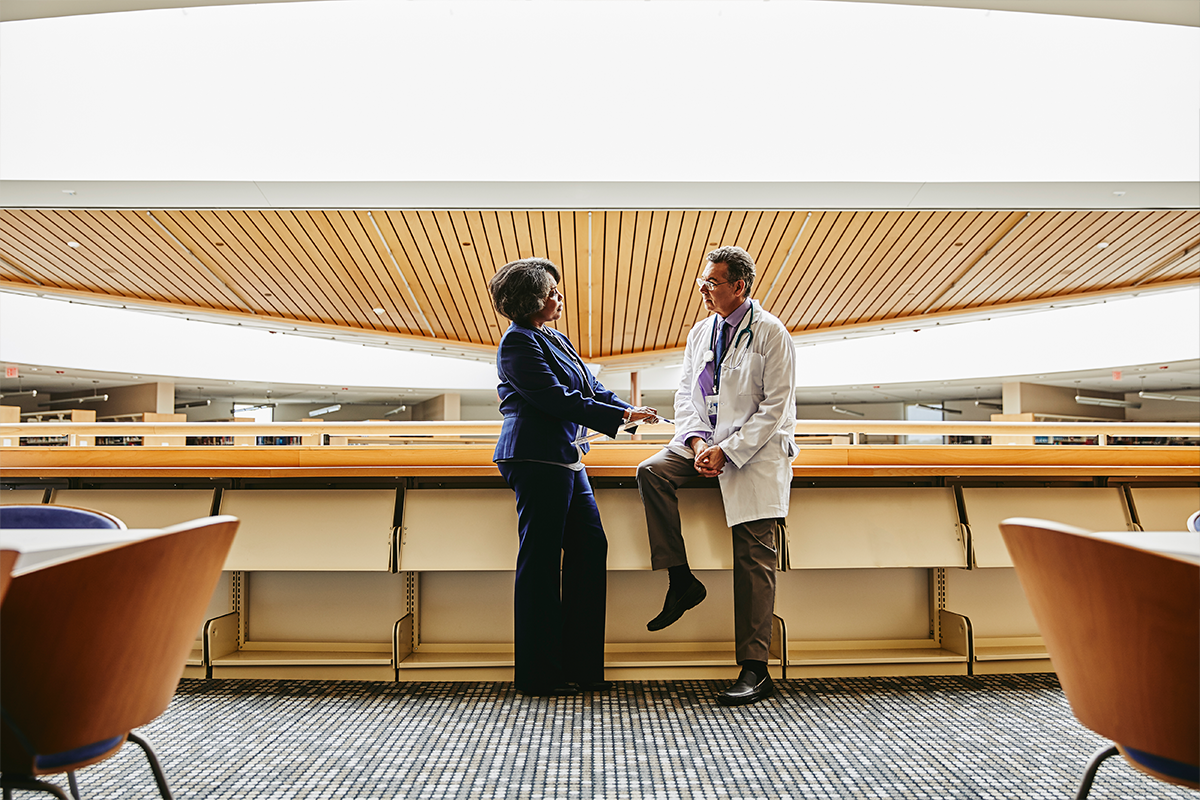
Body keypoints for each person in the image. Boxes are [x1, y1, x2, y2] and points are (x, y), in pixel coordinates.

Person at [636, 245, 797, 707]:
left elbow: (775, 408)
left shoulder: (771, 333)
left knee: (753, 557)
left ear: (738, 287)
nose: (703, 290)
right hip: (702, 445)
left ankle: (755, 668)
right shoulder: (700, 332)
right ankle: (682, 579)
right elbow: (686, 395)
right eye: (703, 282)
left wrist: (728, 450)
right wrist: (698, 444)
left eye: (712, 283)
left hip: (755, 453)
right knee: (651, 472)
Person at [489, 257, 658, 697]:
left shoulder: (554, 337)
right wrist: (618, 415)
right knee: (541, 563)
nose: (558, 298)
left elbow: (590, 389)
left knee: (590, 547)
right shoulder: (518, 343)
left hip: (566, 456)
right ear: (531, 299)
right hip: (534, 457)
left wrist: (627, 410)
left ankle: (582, 666)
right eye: (552, 292)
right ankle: (539, 675)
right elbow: (556, 399)